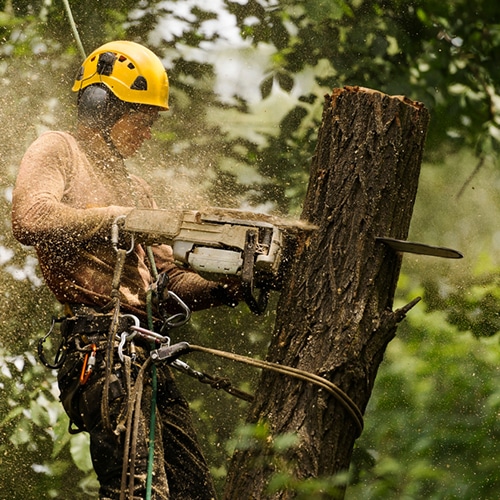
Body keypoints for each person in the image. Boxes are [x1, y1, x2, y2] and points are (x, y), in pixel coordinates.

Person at [12, 40, 240, 500]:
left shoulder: (136, 186)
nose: (149, 133)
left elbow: (167, 283)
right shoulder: (60, 150)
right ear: (103, 108)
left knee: (194, 490)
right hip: (101, 348)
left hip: (146, 351)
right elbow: (30, 218)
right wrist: (117, 218)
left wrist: (232, 285)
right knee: (138, 491)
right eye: (144, 119)